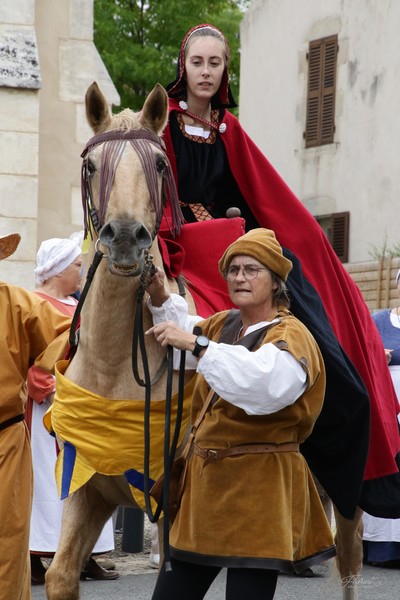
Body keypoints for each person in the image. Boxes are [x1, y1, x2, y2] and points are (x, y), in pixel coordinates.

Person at [158, 23, 400, 523]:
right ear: (183, 67)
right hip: (182, 236)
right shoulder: (165, 124)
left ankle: (329, 396)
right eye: (197, 63)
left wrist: (289, 237)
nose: (205, 72)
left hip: (232, 238)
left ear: (225, 72)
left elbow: (259, 193)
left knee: (305, 287)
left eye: (215, 64)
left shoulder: (230, 128)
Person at [145, 228, 335, 600]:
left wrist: (199, 346)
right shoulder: (224, 324)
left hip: (258, 491)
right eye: (233, 269)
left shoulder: (292, 336)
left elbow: (264, 388)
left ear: (276, 282)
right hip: (205, 492)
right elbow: (185, 335)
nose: (239, 277)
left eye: (252, 269)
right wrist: (160, 296)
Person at [25, 237, 118, 584]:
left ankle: (84, 553)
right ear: (59, 269)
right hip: (46, 408)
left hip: (83, 407)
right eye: (77, 266)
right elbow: (31, 354)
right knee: (46, 479)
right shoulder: (33, 302)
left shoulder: (81, 305)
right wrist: (49, 389)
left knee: (88, 477)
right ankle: (34, 556)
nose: (81, 271)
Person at [0, 233, 71, 600]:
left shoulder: (16, 303)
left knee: (7, 543)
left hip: (5, 443)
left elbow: (68, 335)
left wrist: (45, 371)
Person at [362, 269, 400, 567]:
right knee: (385, 465)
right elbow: (361, 352)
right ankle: (380, 548)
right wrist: (378, 356)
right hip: (385, 402)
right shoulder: (377, 320)